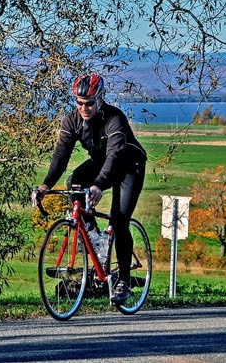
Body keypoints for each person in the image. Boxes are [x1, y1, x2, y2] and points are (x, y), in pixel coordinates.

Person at [37, 74, 148, 304]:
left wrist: (98, 185)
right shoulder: (72, 120)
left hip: (129, 166)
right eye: (79, 103)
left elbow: (115, 155)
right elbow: (61, 154)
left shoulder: (115, 118)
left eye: (88, 103)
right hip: (101, 162)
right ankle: (94, 235)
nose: (83, 108)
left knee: (119, 220)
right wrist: (47, 184)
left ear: (100, 99)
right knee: (74, 182)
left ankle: (124, 283)